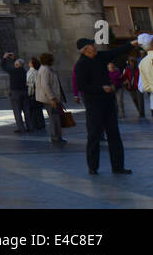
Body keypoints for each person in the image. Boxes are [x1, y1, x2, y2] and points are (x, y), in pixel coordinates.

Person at [74, 37, 133, 175]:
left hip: (108, 102)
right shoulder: (81, 65)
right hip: (94, 105)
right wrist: (102, 88)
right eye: (92, 45)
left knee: (114, 134)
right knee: (94, 135)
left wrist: (131, 44)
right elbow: (82, 86)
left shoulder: (100, 57)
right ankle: (93, 167)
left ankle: (118, 166)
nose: (95, 47)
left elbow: (115, 52)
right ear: (86, 49)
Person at [36, 53, 67, 145]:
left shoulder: (47, 69)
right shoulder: (45, 70)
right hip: (50, 99)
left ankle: (57, 136)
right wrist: (52, 98)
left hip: (52, 97)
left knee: (55, 117)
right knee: (54, 118)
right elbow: (45, 85)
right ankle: (56, 137)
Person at [1, 53, 29, 133]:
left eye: (15, 64)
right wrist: (14, 59)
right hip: (24, 91)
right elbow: (18, 64)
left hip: (16, 92)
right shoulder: (24, 71)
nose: (14, 65)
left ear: (17, 65)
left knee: (17, 111)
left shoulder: (13, 71)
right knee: (26, 110)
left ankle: (21, 128)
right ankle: (30, 127)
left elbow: (4, 67)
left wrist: (4, 58)